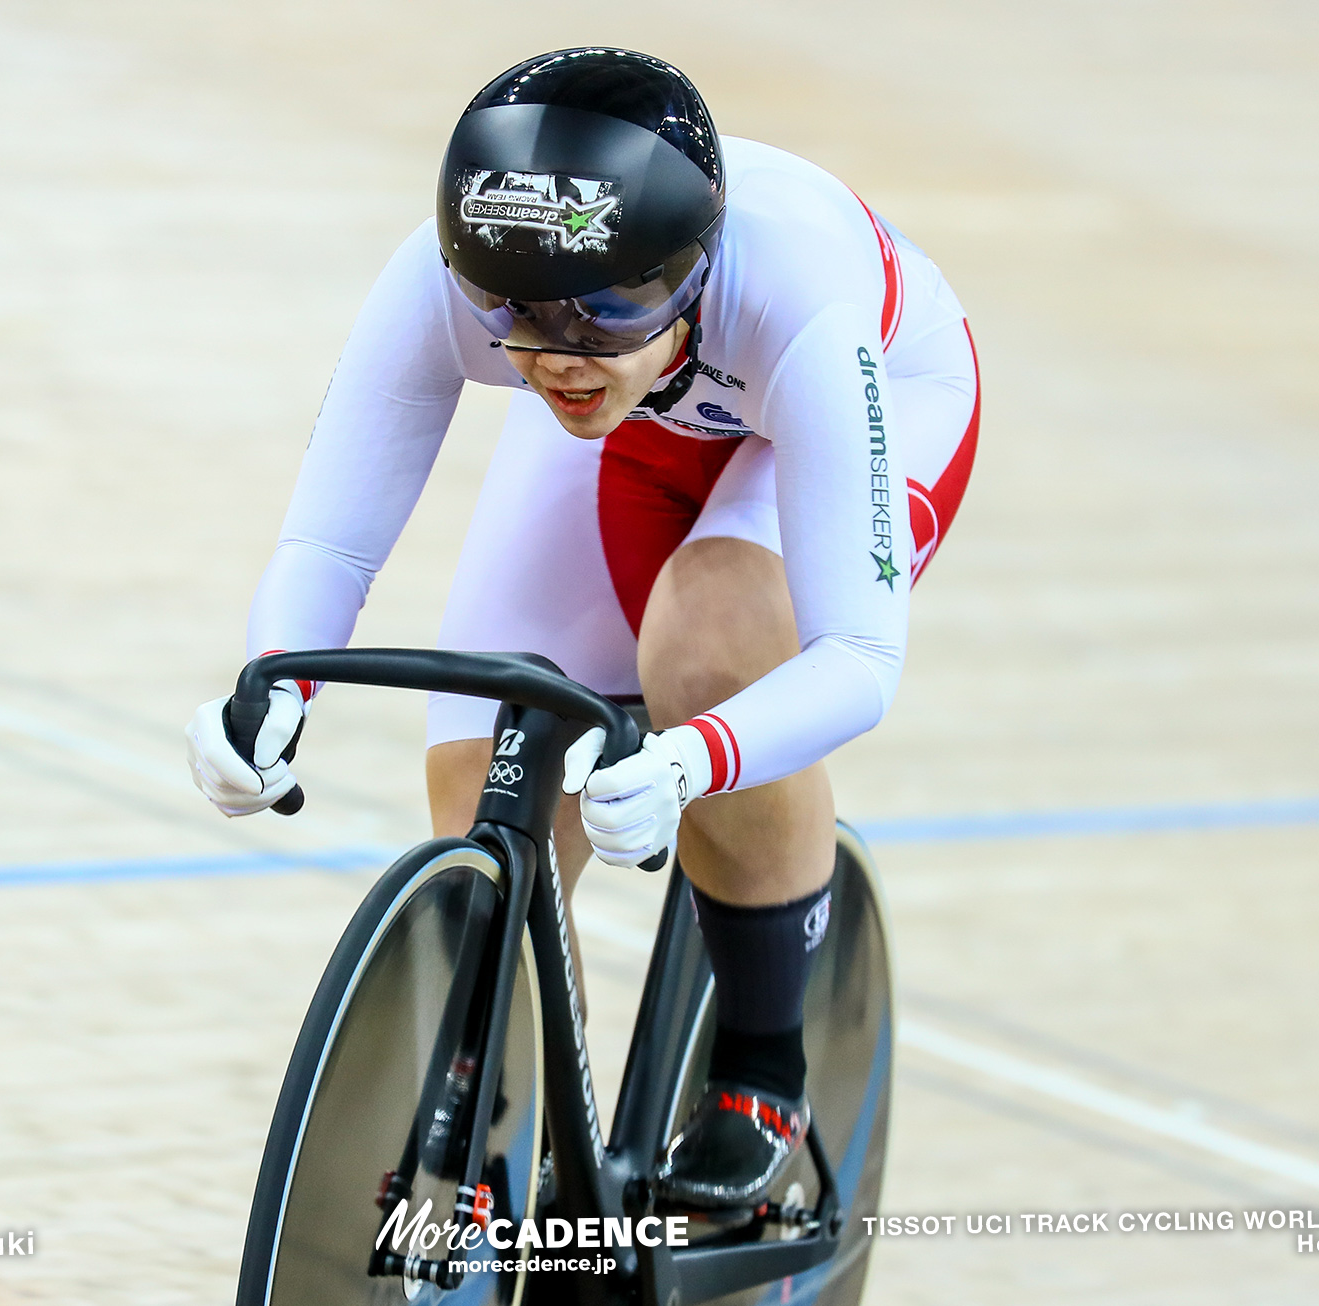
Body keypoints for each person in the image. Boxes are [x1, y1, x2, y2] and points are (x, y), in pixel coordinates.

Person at [187, 47, 979, 1213]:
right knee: (483, 783)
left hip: (866, 407)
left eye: (610, 309)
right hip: (647, 423)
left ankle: (764, 1069)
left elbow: (857, 661)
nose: (561, 353)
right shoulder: (462, 286)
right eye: (518, 316)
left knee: (707, 644)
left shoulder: (798, 293)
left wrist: (688, 754)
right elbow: (330, 544)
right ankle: (526, 1147)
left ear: (693, 272)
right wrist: (272, 685)